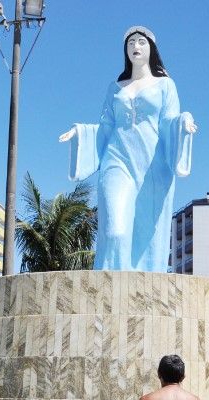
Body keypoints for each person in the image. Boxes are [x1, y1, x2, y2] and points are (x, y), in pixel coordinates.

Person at [59, 26, 197, 272]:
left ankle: (141, 295)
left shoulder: (166, 85)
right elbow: (106, 127)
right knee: (115, 230)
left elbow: (169, 122)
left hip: (153, 165)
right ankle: (111, 294)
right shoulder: (115, 88)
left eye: (141, 42)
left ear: (151, 49)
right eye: (131, 42)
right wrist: (80, 132)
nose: (136, 46)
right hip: (117, 160)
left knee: (147, 231)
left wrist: (183, 122)